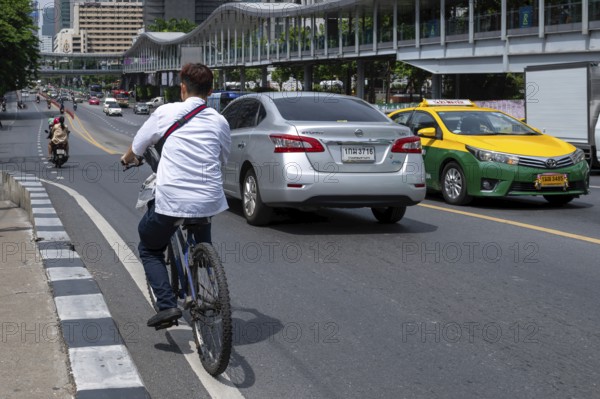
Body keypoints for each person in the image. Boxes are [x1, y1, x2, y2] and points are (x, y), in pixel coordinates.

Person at [120, 63, 231, 328]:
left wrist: (126, 160)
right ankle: (205, 268)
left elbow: (137, 148)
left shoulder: (165, 112)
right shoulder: (220, 120)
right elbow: (223, 158)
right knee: (200, 228)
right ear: (210, 91)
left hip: (171, 199)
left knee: (149, 247)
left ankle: (168, 306)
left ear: (182, 88)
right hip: (209, 199)